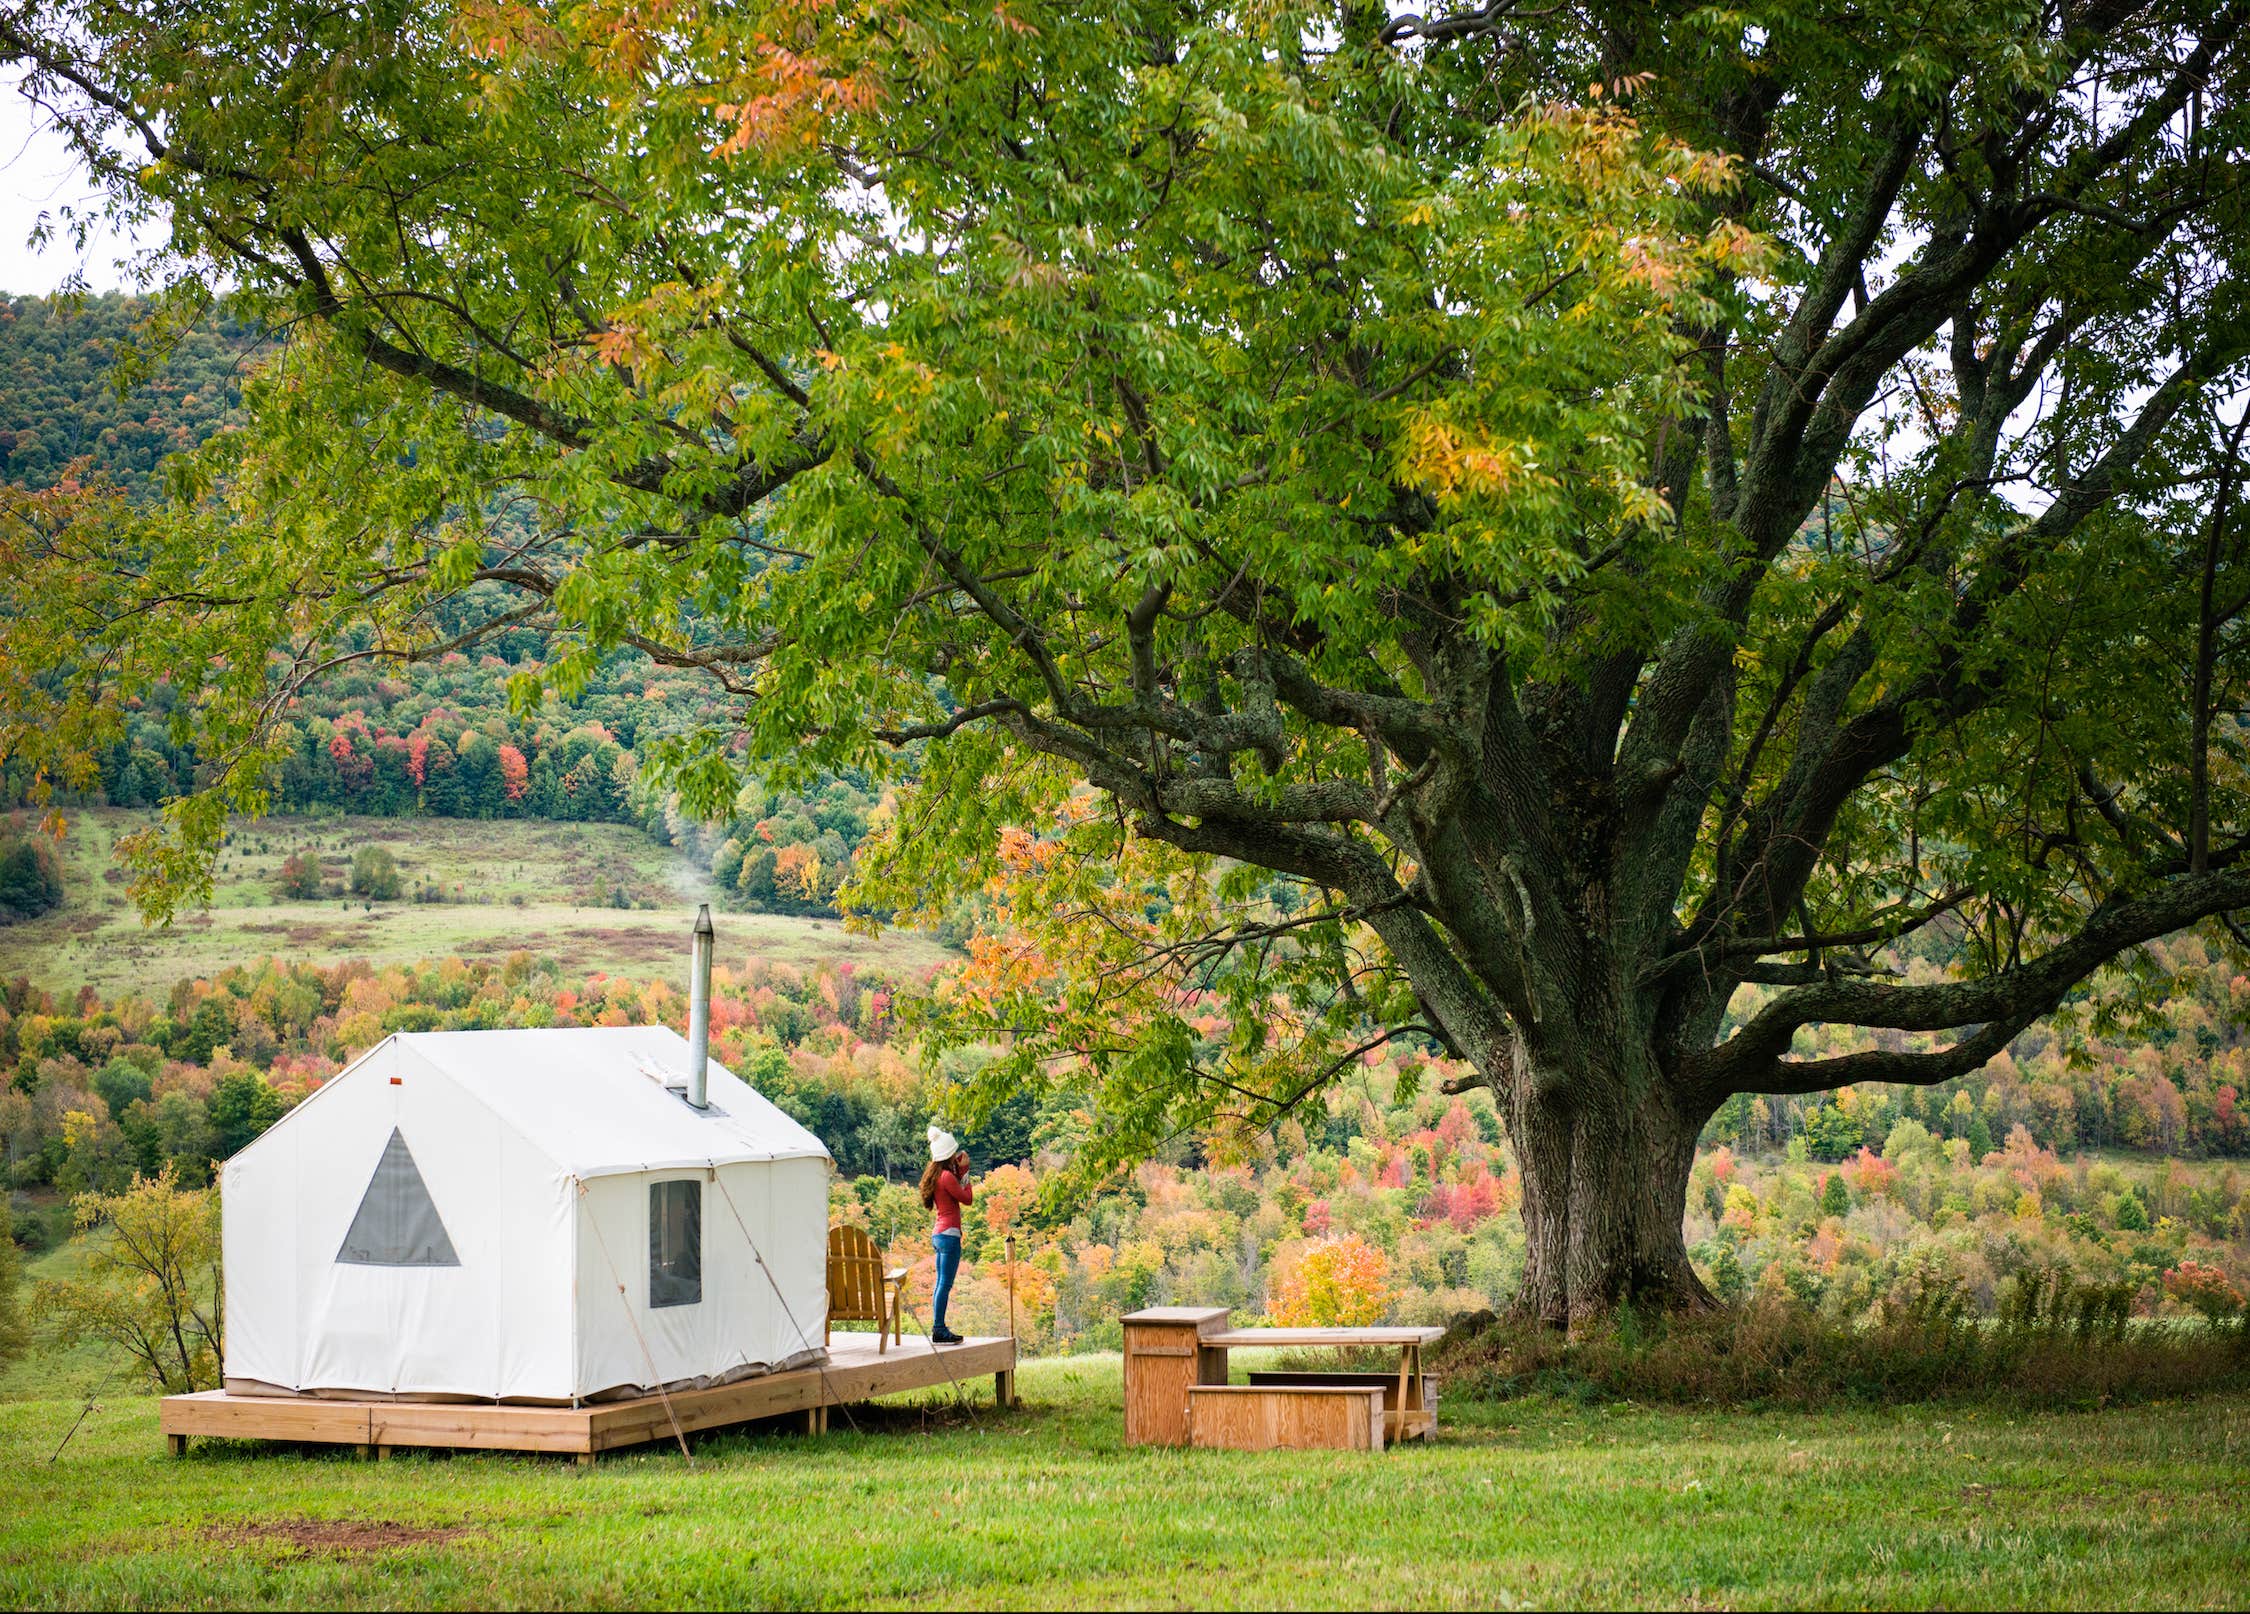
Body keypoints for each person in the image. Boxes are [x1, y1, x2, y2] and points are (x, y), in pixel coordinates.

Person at [919, 1125, 973, 1345]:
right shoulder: (947, 1177)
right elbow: (967, 1199)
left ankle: (938, 1327)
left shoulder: (937, 1175)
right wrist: (965, 1172)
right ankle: (939, 1329)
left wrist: (958, 1172)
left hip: (939, 1234)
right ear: (948, 1155)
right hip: (950, 1235)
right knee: (945, 1284)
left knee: (940, 1283)